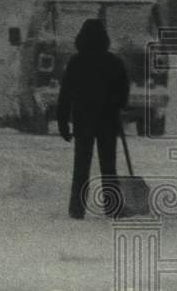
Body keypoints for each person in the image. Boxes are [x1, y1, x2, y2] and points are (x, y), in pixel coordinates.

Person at [56, 18, 130, 220]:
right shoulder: (114, 62)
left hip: (83, 120)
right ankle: (113, 208)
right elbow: (123, 92)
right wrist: (118, 105)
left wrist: (63, 122)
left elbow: (65, 95)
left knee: (81, 167)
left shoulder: (76, 62)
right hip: (108, 121)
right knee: (109, 167)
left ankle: (77, 208)